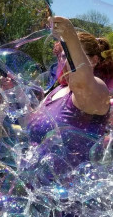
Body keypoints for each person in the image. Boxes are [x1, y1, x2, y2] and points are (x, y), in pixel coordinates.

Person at [24, 16, 110, 167]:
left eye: (71, 55)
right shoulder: (58, 90)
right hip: (32, 183)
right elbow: (31, 127)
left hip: (70, 186)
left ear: (94, 60)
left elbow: (82, 83)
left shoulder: (98, 89)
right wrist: (17, 97)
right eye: (63, 56)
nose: (65, 61)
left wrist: (69, 35)